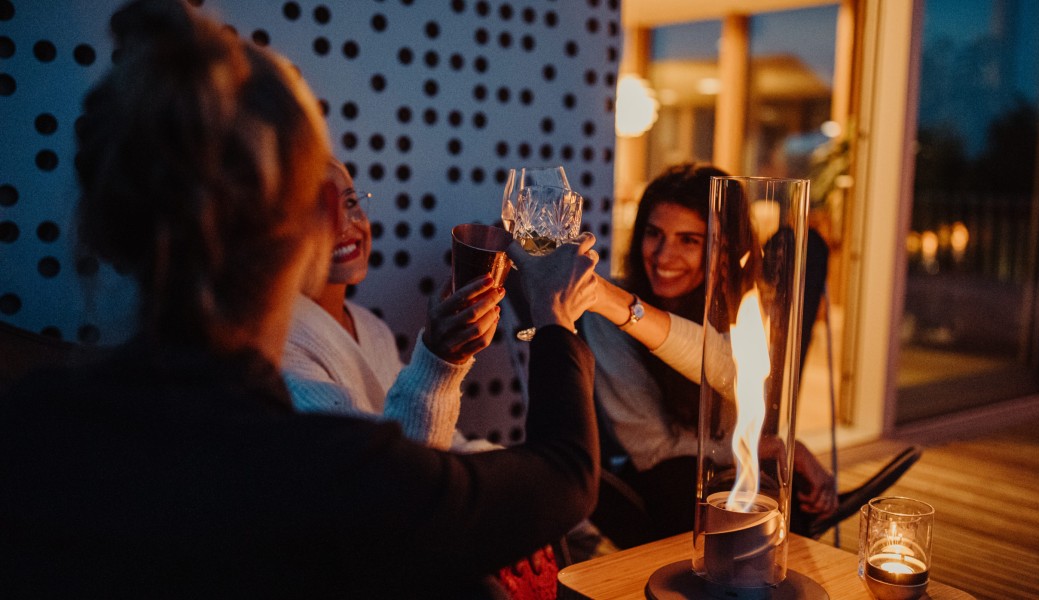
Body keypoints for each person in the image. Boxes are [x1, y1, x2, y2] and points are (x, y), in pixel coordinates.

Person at [0, 1, 601, 597]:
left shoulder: (29, 425)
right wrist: (552, 315)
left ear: (104, 226)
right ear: (323, 218)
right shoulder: (328, 473)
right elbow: (567, 476)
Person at [579, 163, 837, 546]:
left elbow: (735, 372)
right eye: (654, 234)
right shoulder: (608, 314)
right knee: (698, 486)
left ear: (723, 247)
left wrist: (783, 449)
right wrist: (755, 449)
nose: (663, 256)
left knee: (777, 492)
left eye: (689, 240)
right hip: (658, 477)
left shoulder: (744, 305)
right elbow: (653, 449)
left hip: (725, 462)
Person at [283, 157, 502, 450]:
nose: (345, 225)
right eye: (320, 212)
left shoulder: (372, 329)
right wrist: (439, 360)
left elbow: (445, 442)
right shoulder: (280, 348)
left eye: (350, 203)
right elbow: (384, 466)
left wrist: (524, 469)